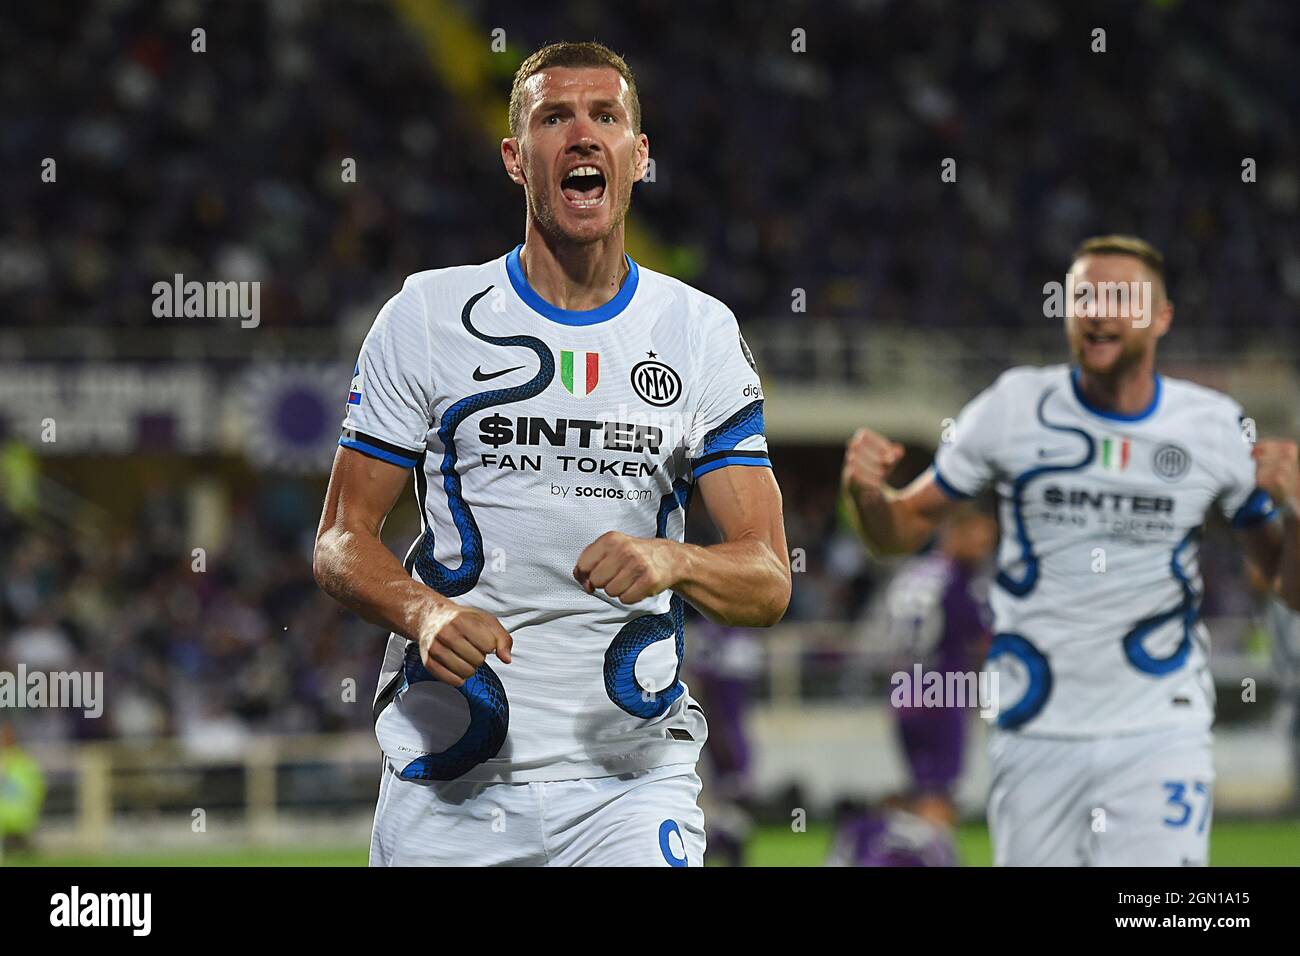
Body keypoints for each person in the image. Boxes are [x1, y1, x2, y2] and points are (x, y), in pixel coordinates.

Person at [313, 41, 790, 867]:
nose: (582, 135)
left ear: (638, 158)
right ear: (515, 158)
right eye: (553, 117)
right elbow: (339, 540)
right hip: (449, 779)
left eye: (606, 116)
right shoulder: (427, 315)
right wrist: (422, 610)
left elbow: (768, 578)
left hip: (629, 784)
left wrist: (674, 559)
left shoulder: (699, 332)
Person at [841, 235, 1300, 866]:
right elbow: (899, 530)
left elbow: (1287, 583)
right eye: (1083, 296)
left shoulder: (1214, 426)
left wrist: (1297, 510)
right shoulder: (1013, 408)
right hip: (1035, 730)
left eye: (1121, 297)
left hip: (1160, 727)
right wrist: (868, 495)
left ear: (1161, 317)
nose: (1098, 311)